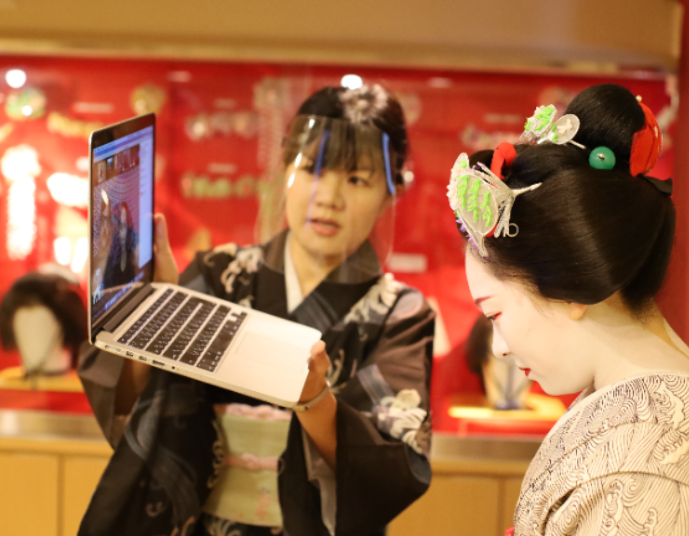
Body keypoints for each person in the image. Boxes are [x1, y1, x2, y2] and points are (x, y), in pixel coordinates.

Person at [78, 84, 435, 536]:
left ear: (391, 192)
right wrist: (151, 314)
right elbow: (134, 402)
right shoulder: (220, 273)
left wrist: (314, 400)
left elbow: (393, 467)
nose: (328, 197)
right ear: (285, 168)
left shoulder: (400, 313)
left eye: (357, 178)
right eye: (311, 169)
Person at [449, 83, 689, 535]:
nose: (499, 348)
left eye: (495, 314)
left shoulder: (647, 480)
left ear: (569, 285)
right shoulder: (674, 396)